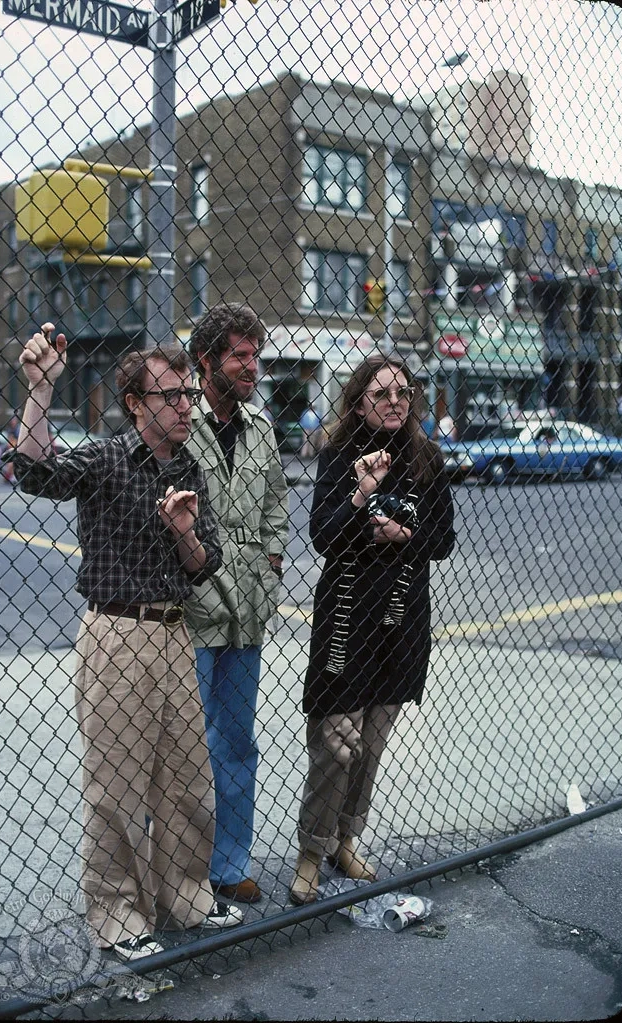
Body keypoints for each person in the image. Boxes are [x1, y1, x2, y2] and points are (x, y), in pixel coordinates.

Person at [13, 322, 243, 961]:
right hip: (117, 633)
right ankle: (118, 914)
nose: (185, 407)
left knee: (187, 781)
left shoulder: (192, 465)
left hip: (175, 634)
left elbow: (207, 563)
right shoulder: (110, 457)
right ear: (137, 404)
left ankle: (186, 899)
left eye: (189, 396)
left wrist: (185, 534)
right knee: (117, 786)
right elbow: (34, 475)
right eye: (170, 396)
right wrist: (39, 391)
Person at [289, 355, 456, 905]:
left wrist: (403, 536)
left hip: (401, 623)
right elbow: (323, 534)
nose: (394, 402)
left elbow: (443, 538)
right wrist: (362, 499)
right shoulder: (339, 455)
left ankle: (346, 839)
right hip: (346, 622)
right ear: (359, 399)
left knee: (372, 744)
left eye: (403, 393)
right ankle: (310, 853)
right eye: (381, 393)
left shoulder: (427, 458)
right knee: (337, 745)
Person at [185, 304, 289, 905]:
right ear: (207, 362)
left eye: (256, 355)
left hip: (248, 607)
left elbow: (276, 505)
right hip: (194, 608)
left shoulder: (261, 426)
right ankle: (177, 866)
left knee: (237, 740)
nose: (252, 367)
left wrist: (272, 567)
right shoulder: (182, 420)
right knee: (180, 744)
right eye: (239, 356)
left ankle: (229, 864)